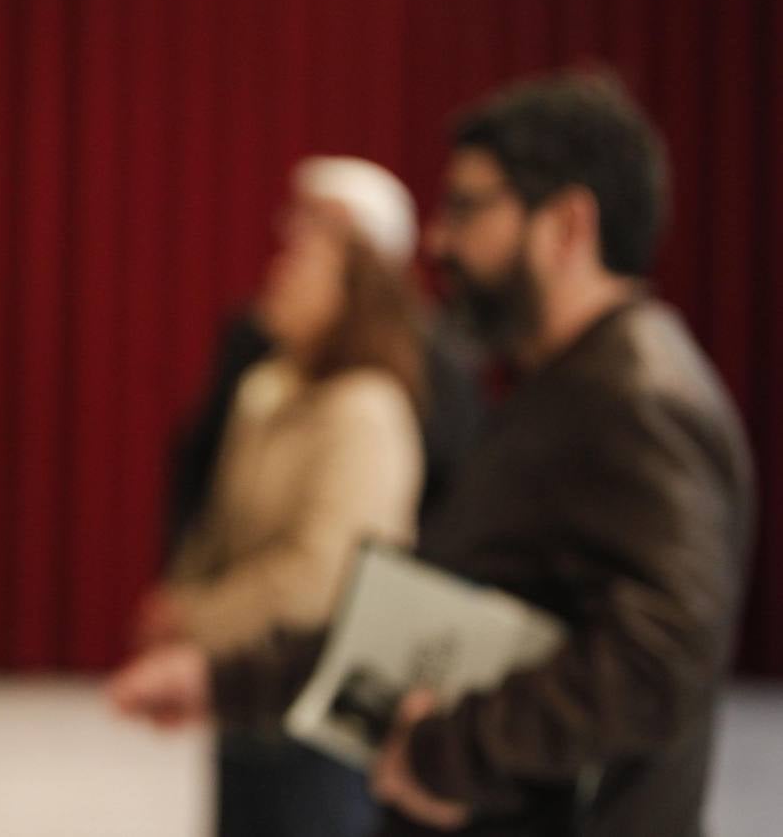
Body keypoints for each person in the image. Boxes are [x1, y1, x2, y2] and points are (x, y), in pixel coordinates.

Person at [368, 74, 754, 837]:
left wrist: (452, 753)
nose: (438, 241)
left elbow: (660, 661)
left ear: (568, 225)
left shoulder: (639, 397)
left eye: (467, 208)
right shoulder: (575, 383)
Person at [111, 156, 428, 837]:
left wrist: (196, 622)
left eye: (300, 268)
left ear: (354, 294)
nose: (277, 277)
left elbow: (320, 576)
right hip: (249, 688)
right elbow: (219, 522)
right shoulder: (272, 388)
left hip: (317, 699)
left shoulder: (367, 408)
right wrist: (184, 599)